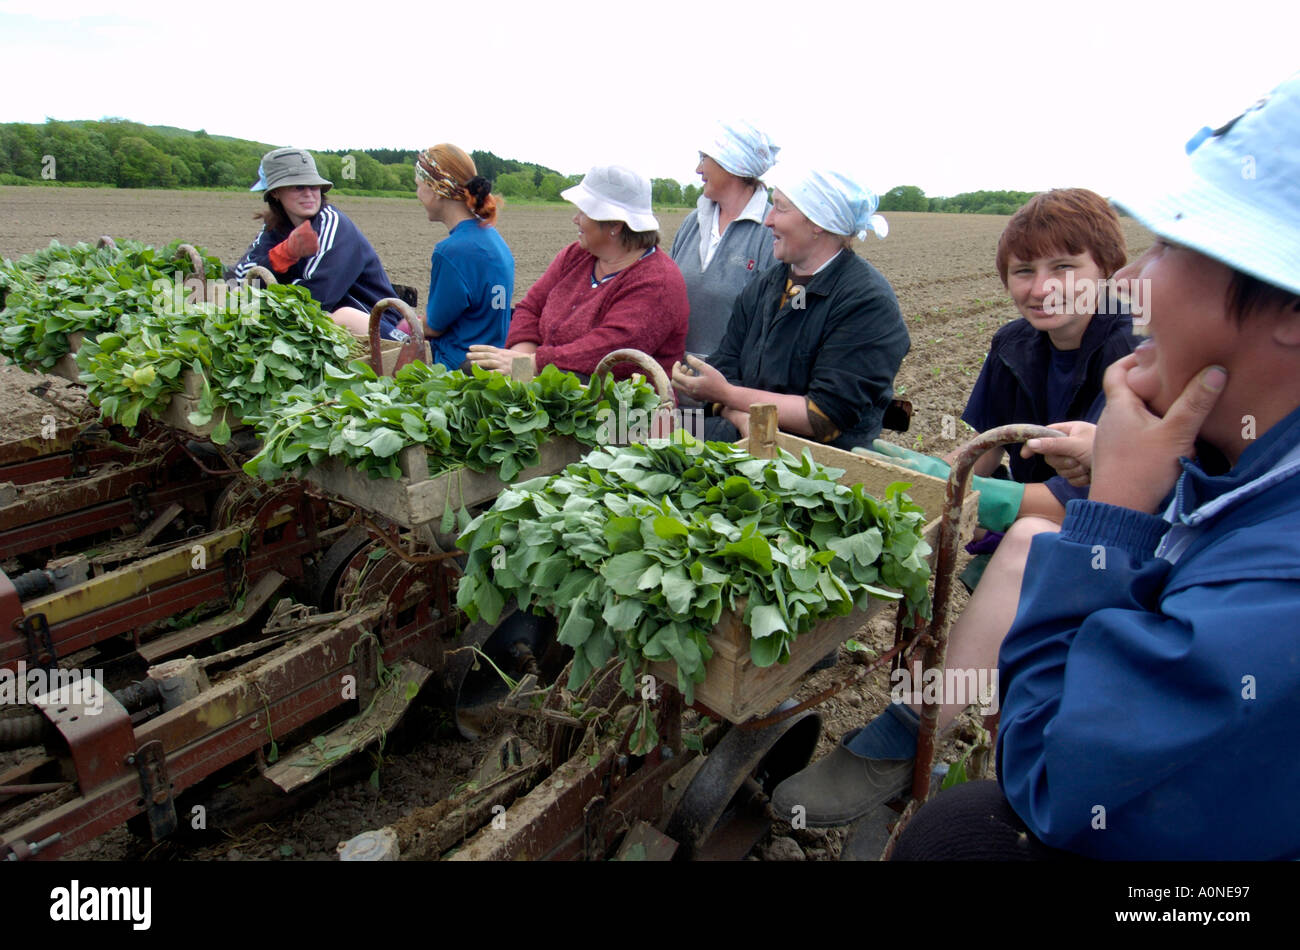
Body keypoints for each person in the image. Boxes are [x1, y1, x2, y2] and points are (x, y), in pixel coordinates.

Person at [890, 72, 1300, 860]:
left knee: (960, 835)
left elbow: (1052, 777)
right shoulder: (1239, 458)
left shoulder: (1274, 592)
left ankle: (922, 728)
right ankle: (920, 724)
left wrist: (1113, 507)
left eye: (1175, 246)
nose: (1140, 282)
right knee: (957, 828)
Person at [671, 161, 908, 450]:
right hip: (742, 433)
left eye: (780, 208)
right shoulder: (768, 284)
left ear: (818, 223)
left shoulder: (867, 303)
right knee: (628, 430)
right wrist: (744, 418)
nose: (768, 220)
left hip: (816, 463)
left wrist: (730, 397)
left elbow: (824, 416)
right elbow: (725, 368)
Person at [466, 165, 688, 380]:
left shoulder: (658, 282)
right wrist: (520, 363)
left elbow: (612, 352)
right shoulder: (577, 255)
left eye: (584, 211)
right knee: (473, 369)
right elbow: (530, 307)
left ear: (615, 224)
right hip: (551, 382)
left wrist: (532, 365)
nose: (576, 218)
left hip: (616, 408)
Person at [233, 147, 405, 340]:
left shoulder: (334, 225)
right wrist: (280, 256)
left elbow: (316, 297)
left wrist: (264, 297)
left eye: (314, 186)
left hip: (380, 328)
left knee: (342, 317)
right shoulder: (274, 229)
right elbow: (239, 278)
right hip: (318, 330)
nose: (309, 194)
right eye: (298, 187)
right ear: (275, 193)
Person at [669, 120, 778, 359]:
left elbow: (777, 325)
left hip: (731, 387)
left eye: (704, 158)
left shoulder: (770, 233)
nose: (698, 169)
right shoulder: (692, 223)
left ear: (729, 164)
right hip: (673, 377)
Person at [406, 144, 514, 371]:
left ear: (435, 189)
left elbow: (434, 327)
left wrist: (403, 324)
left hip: (456, 372)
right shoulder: (495, 240)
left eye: (419, 186)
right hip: (489, 367)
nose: (417, 194)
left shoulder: (451, 251)